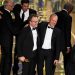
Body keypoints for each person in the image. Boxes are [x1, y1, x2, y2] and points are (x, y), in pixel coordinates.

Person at [12, 0, 37, 75]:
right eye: (24, 6)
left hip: (28, 37)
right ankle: (15, 70)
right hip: (18, 35)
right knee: (17, 52)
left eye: (27, 6)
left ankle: (30, 70)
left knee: (28, 57)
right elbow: (5, 7)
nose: (26, 8)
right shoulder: (16, 8)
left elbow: (35, 22)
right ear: (21, 5)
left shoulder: (33, 12)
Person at [55, 2, 73, 75]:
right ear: (69, 9)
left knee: (54, 59)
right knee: (68, 60)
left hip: (55, 41)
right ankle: (68, 73)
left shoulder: (56, 14)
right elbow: (67, 32)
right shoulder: (68, 17)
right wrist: (68, 45)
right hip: (64, 43)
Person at [0, 0, 14, 75]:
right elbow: (12, 29)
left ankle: (2, 72)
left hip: (2, 40)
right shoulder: (7, 14)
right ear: (8, 6)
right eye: (12, 5)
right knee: (8, 59)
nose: (13, 6)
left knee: (3, 57)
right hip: (7, 41)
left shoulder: (2, 12)